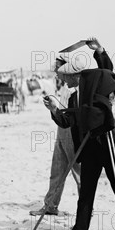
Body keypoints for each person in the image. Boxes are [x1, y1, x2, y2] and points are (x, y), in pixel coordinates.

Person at [44, 39, 115, 230]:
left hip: (108, 144)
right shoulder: (72, 98)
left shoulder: (96, 85)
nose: (62, 80)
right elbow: (68, 121)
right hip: (89, 148)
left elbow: (109, 73)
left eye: (64, 76)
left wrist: (100, 51)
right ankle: (80, 229)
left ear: (73, 74)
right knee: (86, 191)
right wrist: (54, 110)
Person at [30, 55, 81, 216]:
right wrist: (54, 108)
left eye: (58, 68)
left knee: (78, 171)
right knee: (57, 169)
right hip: (62, 127)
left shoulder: (76, 87)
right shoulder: (66, 86)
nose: (56, 71)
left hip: (71, 130)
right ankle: (51, 205)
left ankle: (86, 207)